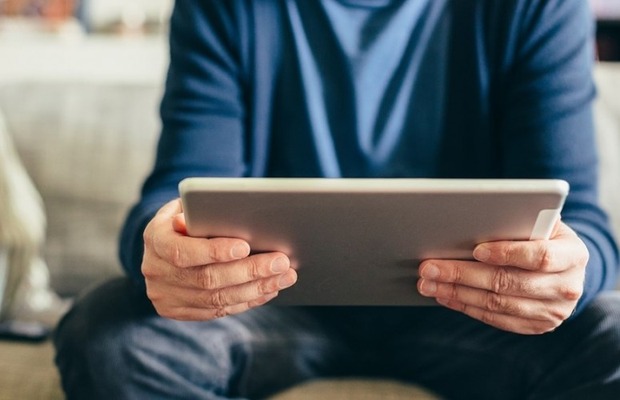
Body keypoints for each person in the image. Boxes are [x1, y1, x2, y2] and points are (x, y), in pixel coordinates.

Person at [54, 1, 620, 399]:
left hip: (477, 316)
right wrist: (157, 248)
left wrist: (570, 271)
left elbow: (585, 225)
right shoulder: (221, 5)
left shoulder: (537, 5)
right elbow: (173, 193)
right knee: (107, 338)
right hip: (269, 309)